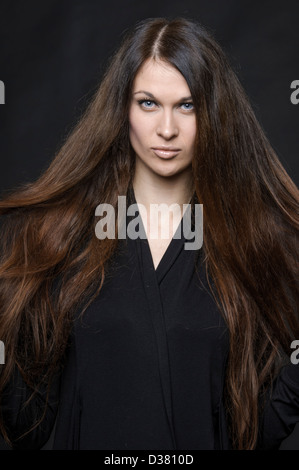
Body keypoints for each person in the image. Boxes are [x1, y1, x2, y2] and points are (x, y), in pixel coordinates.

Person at [0, 17, 298, 451]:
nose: (167, 130)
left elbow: (256, 429)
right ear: (122, 109)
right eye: (148, 103)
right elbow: (31, 427)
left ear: (213, 112)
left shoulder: (246, 242)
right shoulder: (65, 238)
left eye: (187, 105)